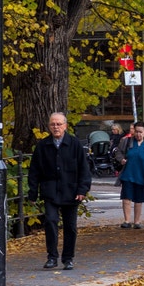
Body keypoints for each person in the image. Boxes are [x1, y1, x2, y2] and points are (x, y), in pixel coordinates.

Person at [29, 112, 92, 269]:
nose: (55, 127)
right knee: (50, 221)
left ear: (65, 126)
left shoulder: (75, 144)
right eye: (53, 124)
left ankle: (68, 258)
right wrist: (33, 192)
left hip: (71, 191)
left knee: (70, 226)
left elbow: (84, 169)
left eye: (58, 124)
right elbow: (34, 171)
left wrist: (82, 189)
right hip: (50, 191)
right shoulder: (43, 146)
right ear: (49, 126)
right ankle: (52, 257)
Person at [117, 120, 144, 230]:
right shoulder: (126, 142)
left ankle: (137, 221)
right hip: (128, 174)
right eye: (136, 131)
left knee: (138, 200)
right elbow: (118, 152)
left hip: (141, 175)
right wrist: (121, 160)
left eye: (140, 132)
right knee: (126, 198)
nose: (138, 134)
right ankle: (127, 220)